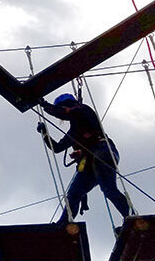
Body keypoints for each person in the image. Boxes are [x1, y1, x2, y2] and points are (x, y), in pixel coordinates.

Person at [37, 93, 131, 224]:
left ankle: (130, 216)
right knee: (74, 194)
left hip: (102, 151)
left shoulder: (82, 109)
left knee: (108, 189)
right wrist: (45, 134)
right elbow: (57, 147)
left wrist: (44, 104)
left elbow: (64, 112)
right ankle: (63, 224)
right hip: (88, 161)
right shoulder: (74, 131)